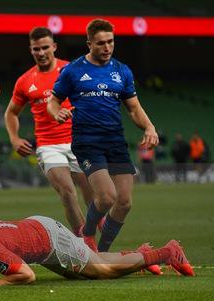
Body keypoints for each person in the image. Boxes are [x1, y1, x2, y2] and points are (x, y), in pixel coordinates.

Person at [47, 19, 159, 253]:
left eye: (110, 42)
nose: (107, 48)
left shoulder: (122, 71)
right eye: (100, 43)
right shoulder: (73, 70)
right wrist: (57, 113)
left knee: (125, 203)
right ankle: (87, 235)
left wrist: (149, 127)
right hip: (88, 141)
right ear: (89, 44)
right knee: (107, 197)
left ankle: (103, 252)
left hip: (115, 141)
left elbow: (134, 108)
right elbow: (53, 101)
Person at [0, 216, 194, 287]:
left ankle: (166, 252)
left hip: (49, 240)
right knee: (89, 270)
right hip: (36, 234)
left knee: (103, 272)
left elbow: (27, 276)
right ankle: (139, 254)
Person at [4, 27, 94, 236]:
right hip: (48, 145)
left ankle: (102, 235)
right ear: (31, 50)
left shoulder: (71, 70)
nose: (41, 52)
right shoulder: (25, 81)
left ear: (54, 47)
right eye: (37, 49)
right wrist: (14, 138)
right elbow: (11, 113)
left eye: (45, 47)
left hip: (79, 141)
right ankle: (85, 245)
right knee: (67, 192)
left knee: (95, 199)